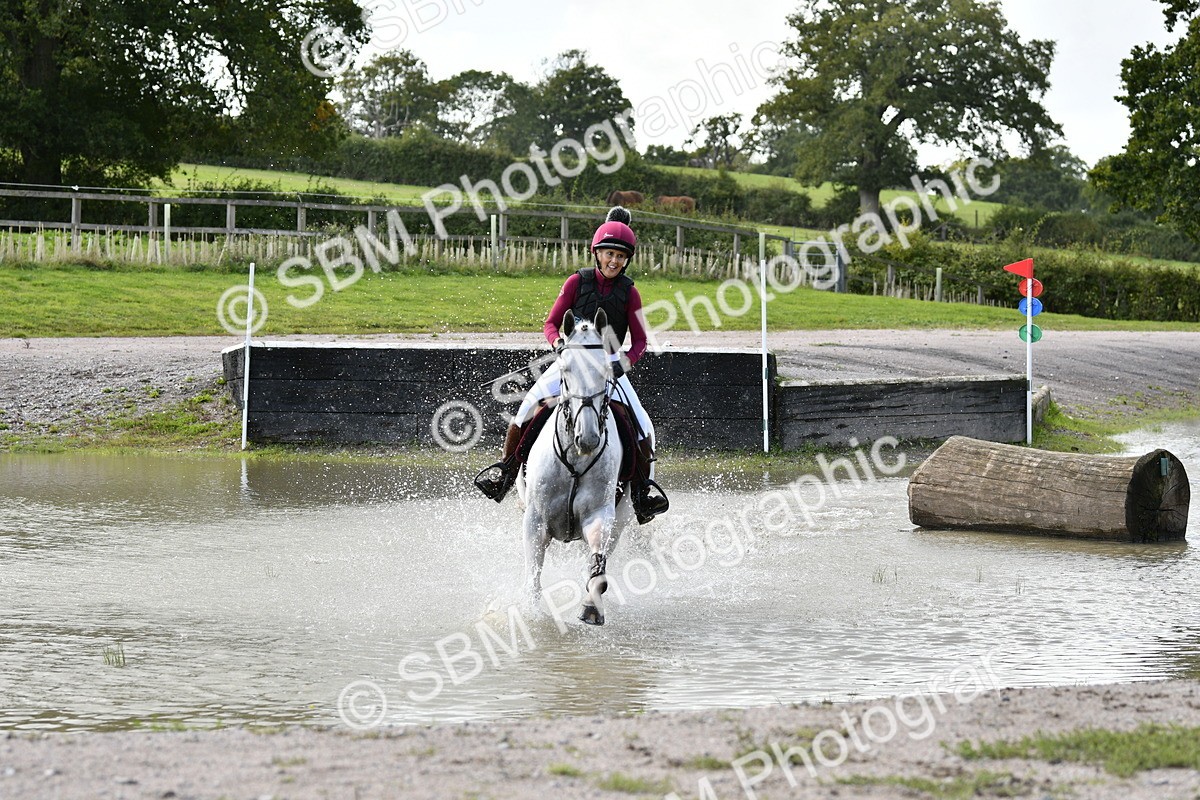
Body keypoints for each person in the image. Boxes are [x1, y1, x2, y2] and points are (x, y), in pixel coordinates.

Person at [474, 206, 670, 524]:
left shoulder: (630, 293)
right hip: (571, 360)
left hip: (607, 365)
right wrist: (558, 345)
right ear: (597, 253)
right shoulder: (577, 282)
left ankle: (642, 494)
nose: (614, 261)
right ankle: (506, 472)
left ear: (627, 260)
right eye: (609, 254)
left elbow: (641, 342)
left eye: (621, 257)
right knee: (525, 409)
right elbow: (551, 323)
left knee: (642, 425)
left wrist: (624, 362)